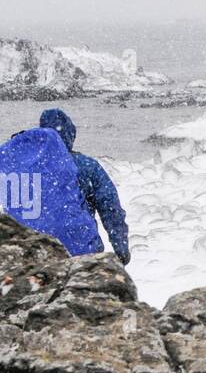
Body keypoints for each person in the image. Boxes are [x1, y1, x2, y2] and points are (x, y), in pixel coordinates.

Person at [39, 108, 130, 263]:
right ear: (71, 135)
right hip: (83, 248)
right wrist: (121, 249)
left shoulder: (31, 167)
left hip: (40, 250)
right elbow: (110, 208)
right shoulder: (87, 166)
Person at [0, 123, 102, 255]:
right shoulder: (74, 161)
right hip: (75, 245)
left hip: (24, 249)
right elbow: (107, 200)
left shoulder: (10, 166)